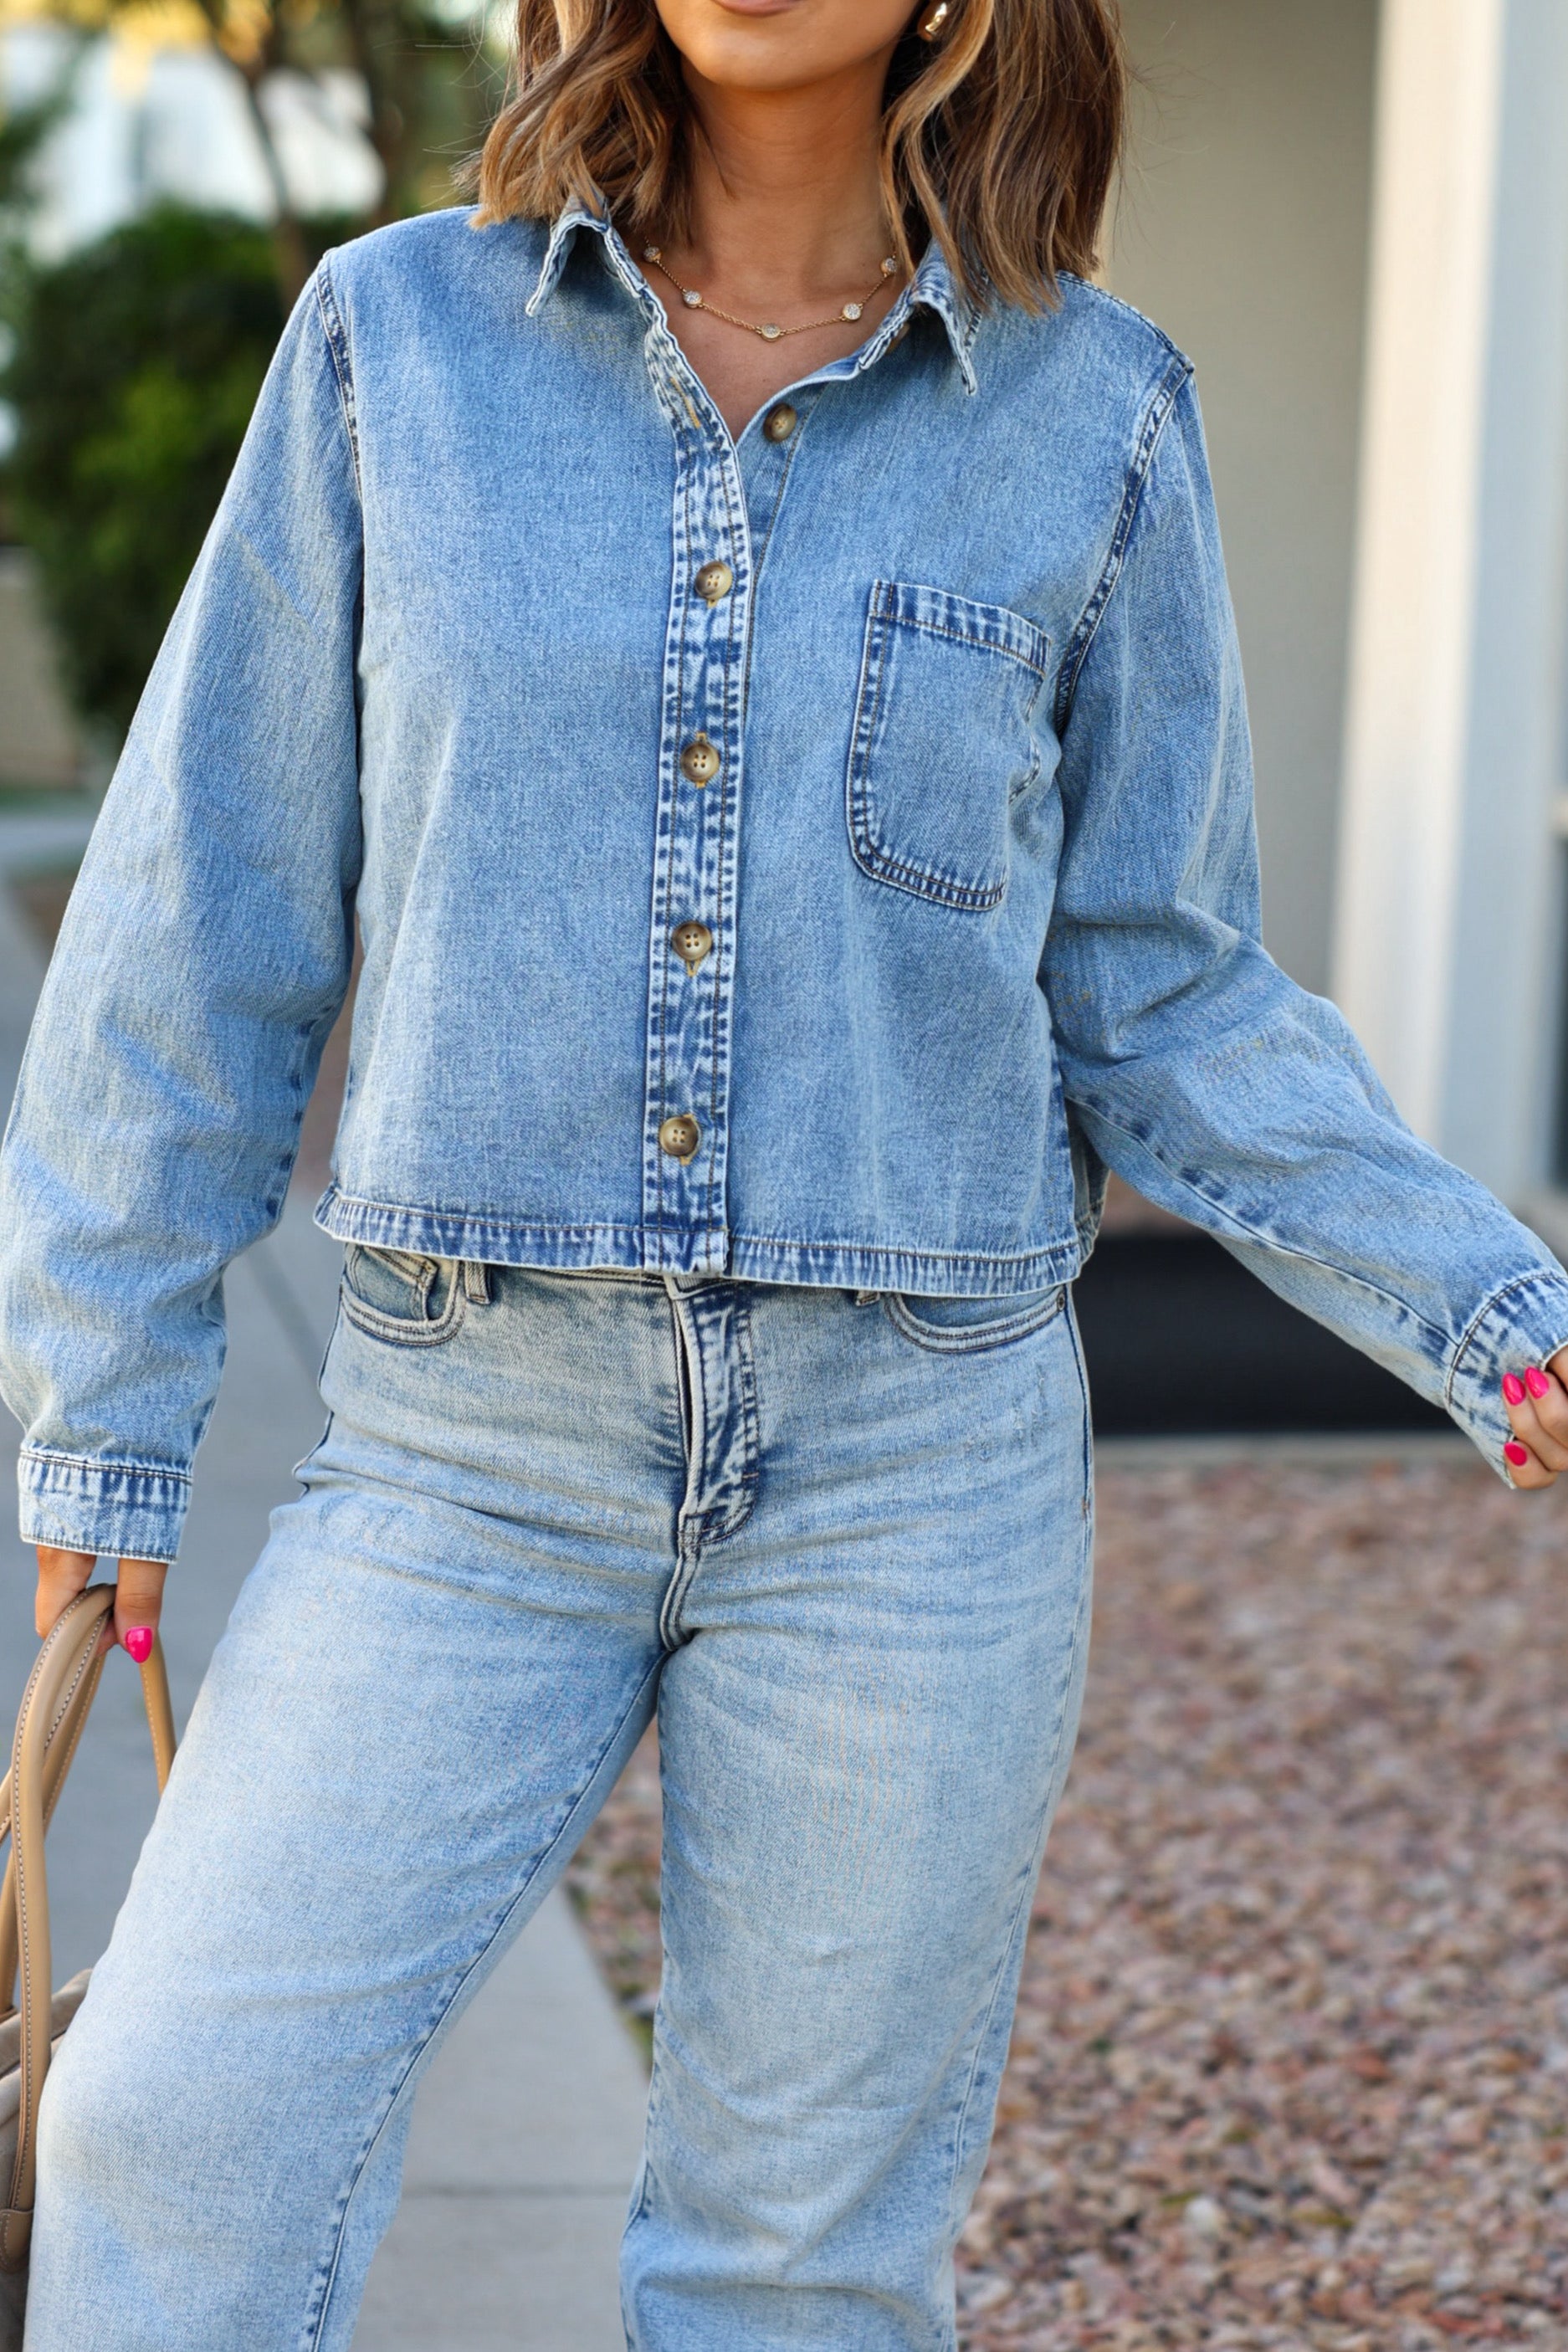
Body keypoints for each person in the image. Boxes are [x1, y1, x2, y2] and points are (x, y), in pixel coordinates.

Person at [5, 0, 1568, 2343]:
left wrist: (1487, 1308)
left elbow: (1163, 986)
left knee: (790, 2273)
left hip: (911, 1474)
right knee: (175, 2109)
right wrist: (103, 1421)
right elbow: (195, 921)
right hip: (464, 1449)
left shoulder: (1094, 412)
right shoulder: (391, 348)